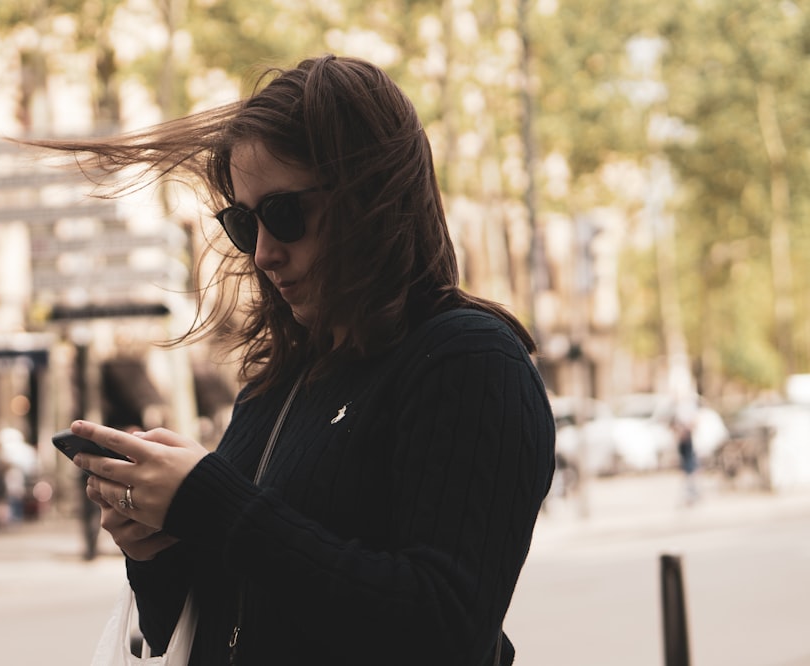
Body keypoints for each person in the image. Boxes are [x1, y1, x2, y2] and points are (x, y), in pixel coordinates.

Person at [43, 55, 555, 666]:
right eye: (241, 223)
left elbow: (445, 628)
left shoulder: (467, 360)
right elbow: (213, 621)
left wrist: (216, 504)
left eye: (285, 216)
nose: (262, 253)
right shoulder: (270, 387)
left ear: (371, 198)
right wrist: (157, 553)